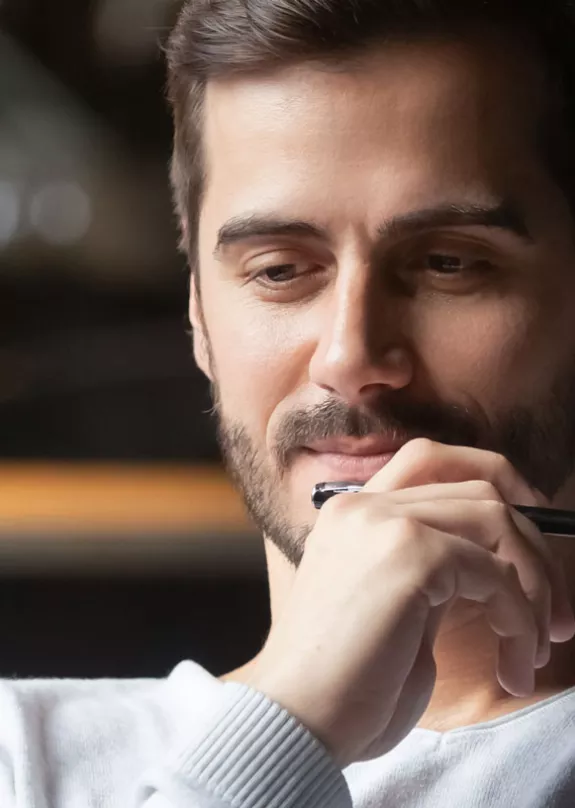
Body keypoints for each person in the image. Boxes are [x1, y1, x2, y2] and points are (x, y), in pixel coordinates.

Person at [5, 0, 575, 805]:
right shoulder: (18, 758)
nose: (350, 359)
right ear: (198, 311)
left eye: (449, 263)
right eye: (278, 270)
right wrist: (288, 723)